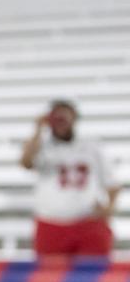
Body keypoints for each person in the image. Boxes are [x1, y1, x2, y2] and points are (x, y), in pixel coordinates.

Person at [20, 100, 119, 256]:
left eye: (65, 115)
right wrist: (38, 128)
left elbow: (112, 184)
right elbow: (26, 162)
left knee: (92, 276)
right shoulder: (42, 146)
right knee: (51, 277)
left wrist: (109, 209)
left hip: (88, 223)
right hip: (51, 223)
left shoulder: (91, 146)